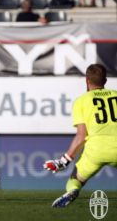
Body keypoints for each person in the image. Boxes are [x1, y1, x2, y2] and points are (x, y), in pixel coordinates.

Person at [44, 64, 117, 207]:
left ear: (87, 81)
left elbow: (81, 136)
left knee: (75, 179)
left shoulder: (81, 101)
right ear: (105, 81)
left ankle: (73, 191)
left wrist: (64, 161)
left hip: (96, 151)